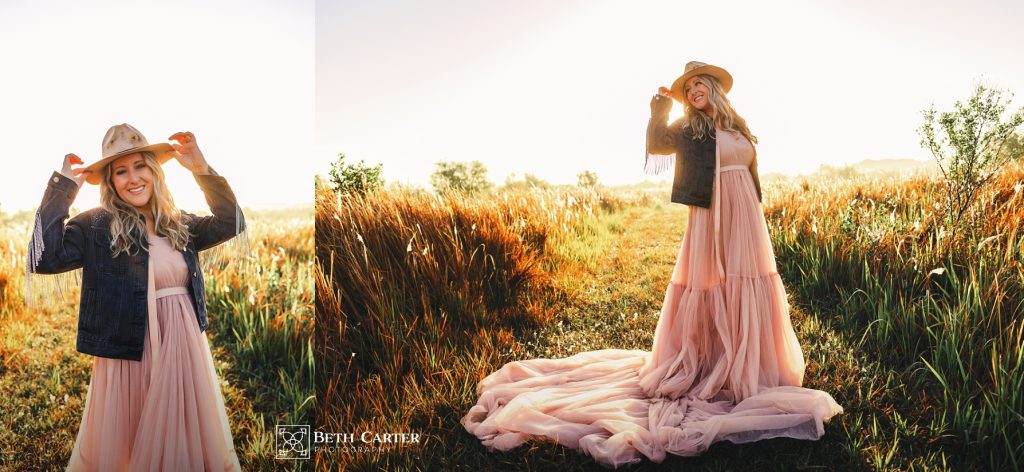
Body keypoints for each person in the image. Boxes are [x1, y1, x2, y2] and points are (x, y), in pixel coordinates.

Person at [461, 62, 843, 468]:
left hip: (745, 215)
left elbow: (747, 171)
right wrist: (659, 107)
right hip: (711, 215)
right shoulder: (690, 128)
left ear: (714, 88)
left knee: (748, 283)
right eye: (689, 88)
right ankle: (712, 362)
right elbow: (659, 143)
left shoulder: (739, 126)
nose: (695, 91)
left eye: (700, 84)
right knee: (711, 284)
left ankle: (747, 366)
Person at [28, 123, 244, 471]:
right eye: (121, 172)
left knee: (183, 439)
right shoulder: (96, 226)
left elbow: (232, 221)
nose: (133, 178)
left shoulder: (179, 224)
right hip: (129, 352)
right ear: (111, 182)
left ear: (154, 171)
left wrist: (201, 168)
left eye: (140, 165)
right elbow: (43, 258)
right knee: (129, 441)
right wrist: (64, 188)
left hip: (183, 347)